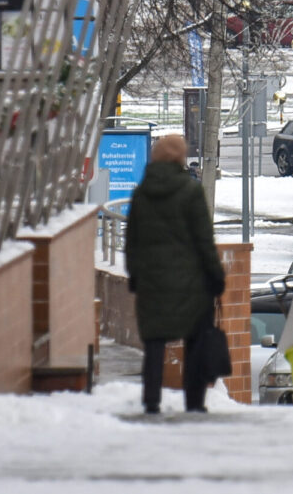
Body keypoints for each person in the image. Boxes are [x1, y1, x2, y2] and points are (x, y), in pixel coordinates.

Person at [125, 135, 226, 415]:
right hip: (191, 284)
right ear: (180, 157)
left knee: (154, 343)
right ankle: (194, 402)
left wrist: (134, 274)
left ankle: (152, 401)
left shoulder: (142, 192)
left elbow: (132, 239)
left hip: (152, 282)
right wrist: (216, 276)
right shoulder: (190, 191)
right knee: (195, 341)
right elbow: (204, 239)